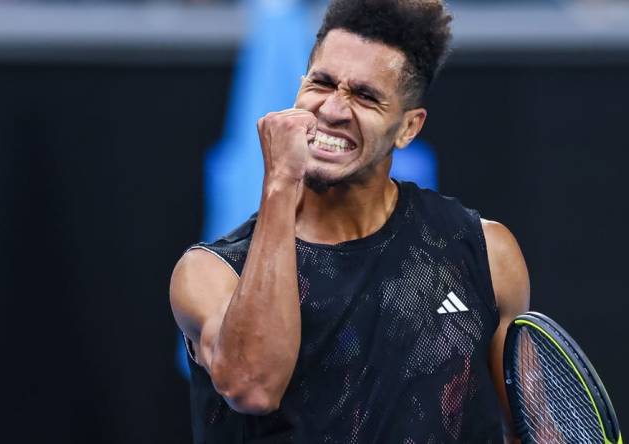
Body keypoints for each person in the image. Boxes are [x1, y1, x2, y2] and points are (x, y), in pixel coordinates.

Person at [170, 0, 529, 442]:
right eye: (321, 83)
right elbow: (252, 387)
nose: (334, 110)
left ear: (408, 128)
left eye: (365, 96)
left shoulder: (487, 255)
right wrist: (281, 182)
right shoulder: (211, 273)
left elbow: (526, 429)